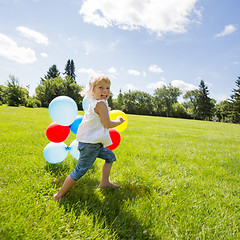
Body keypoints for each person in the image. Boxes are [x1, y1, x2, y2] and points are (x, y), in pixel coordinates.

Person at [54, 74, 125, 201]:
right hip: (90, 145)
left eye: (108, 88)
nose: (105, 91)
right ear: (92, 89)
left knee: (110, 157)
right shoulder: (100, 105)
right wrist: (119, 121)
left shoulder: (95, 102)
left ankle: (104, 183)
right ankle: (59, 195)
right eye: (101, 87)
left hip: (93, 143)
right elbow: (107, 124)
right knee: (80, 170)